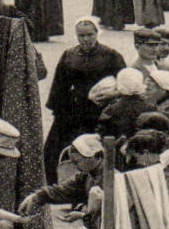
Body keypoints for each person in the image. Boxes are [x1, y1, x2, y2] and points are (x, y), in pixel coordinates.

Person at [42, 21, 125, 181]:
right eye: (81, 36)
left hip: (99, 109)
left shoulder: (110, 55)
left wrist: (112, 95)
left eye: (89, 35)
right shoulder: (69, 55)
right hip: (74, 109)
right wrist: (58, 109)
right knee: (59, 147)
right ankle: (60, 179)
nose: (85, 39)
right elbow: (59, 84)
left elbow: (123, 81)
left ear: (97, 34)